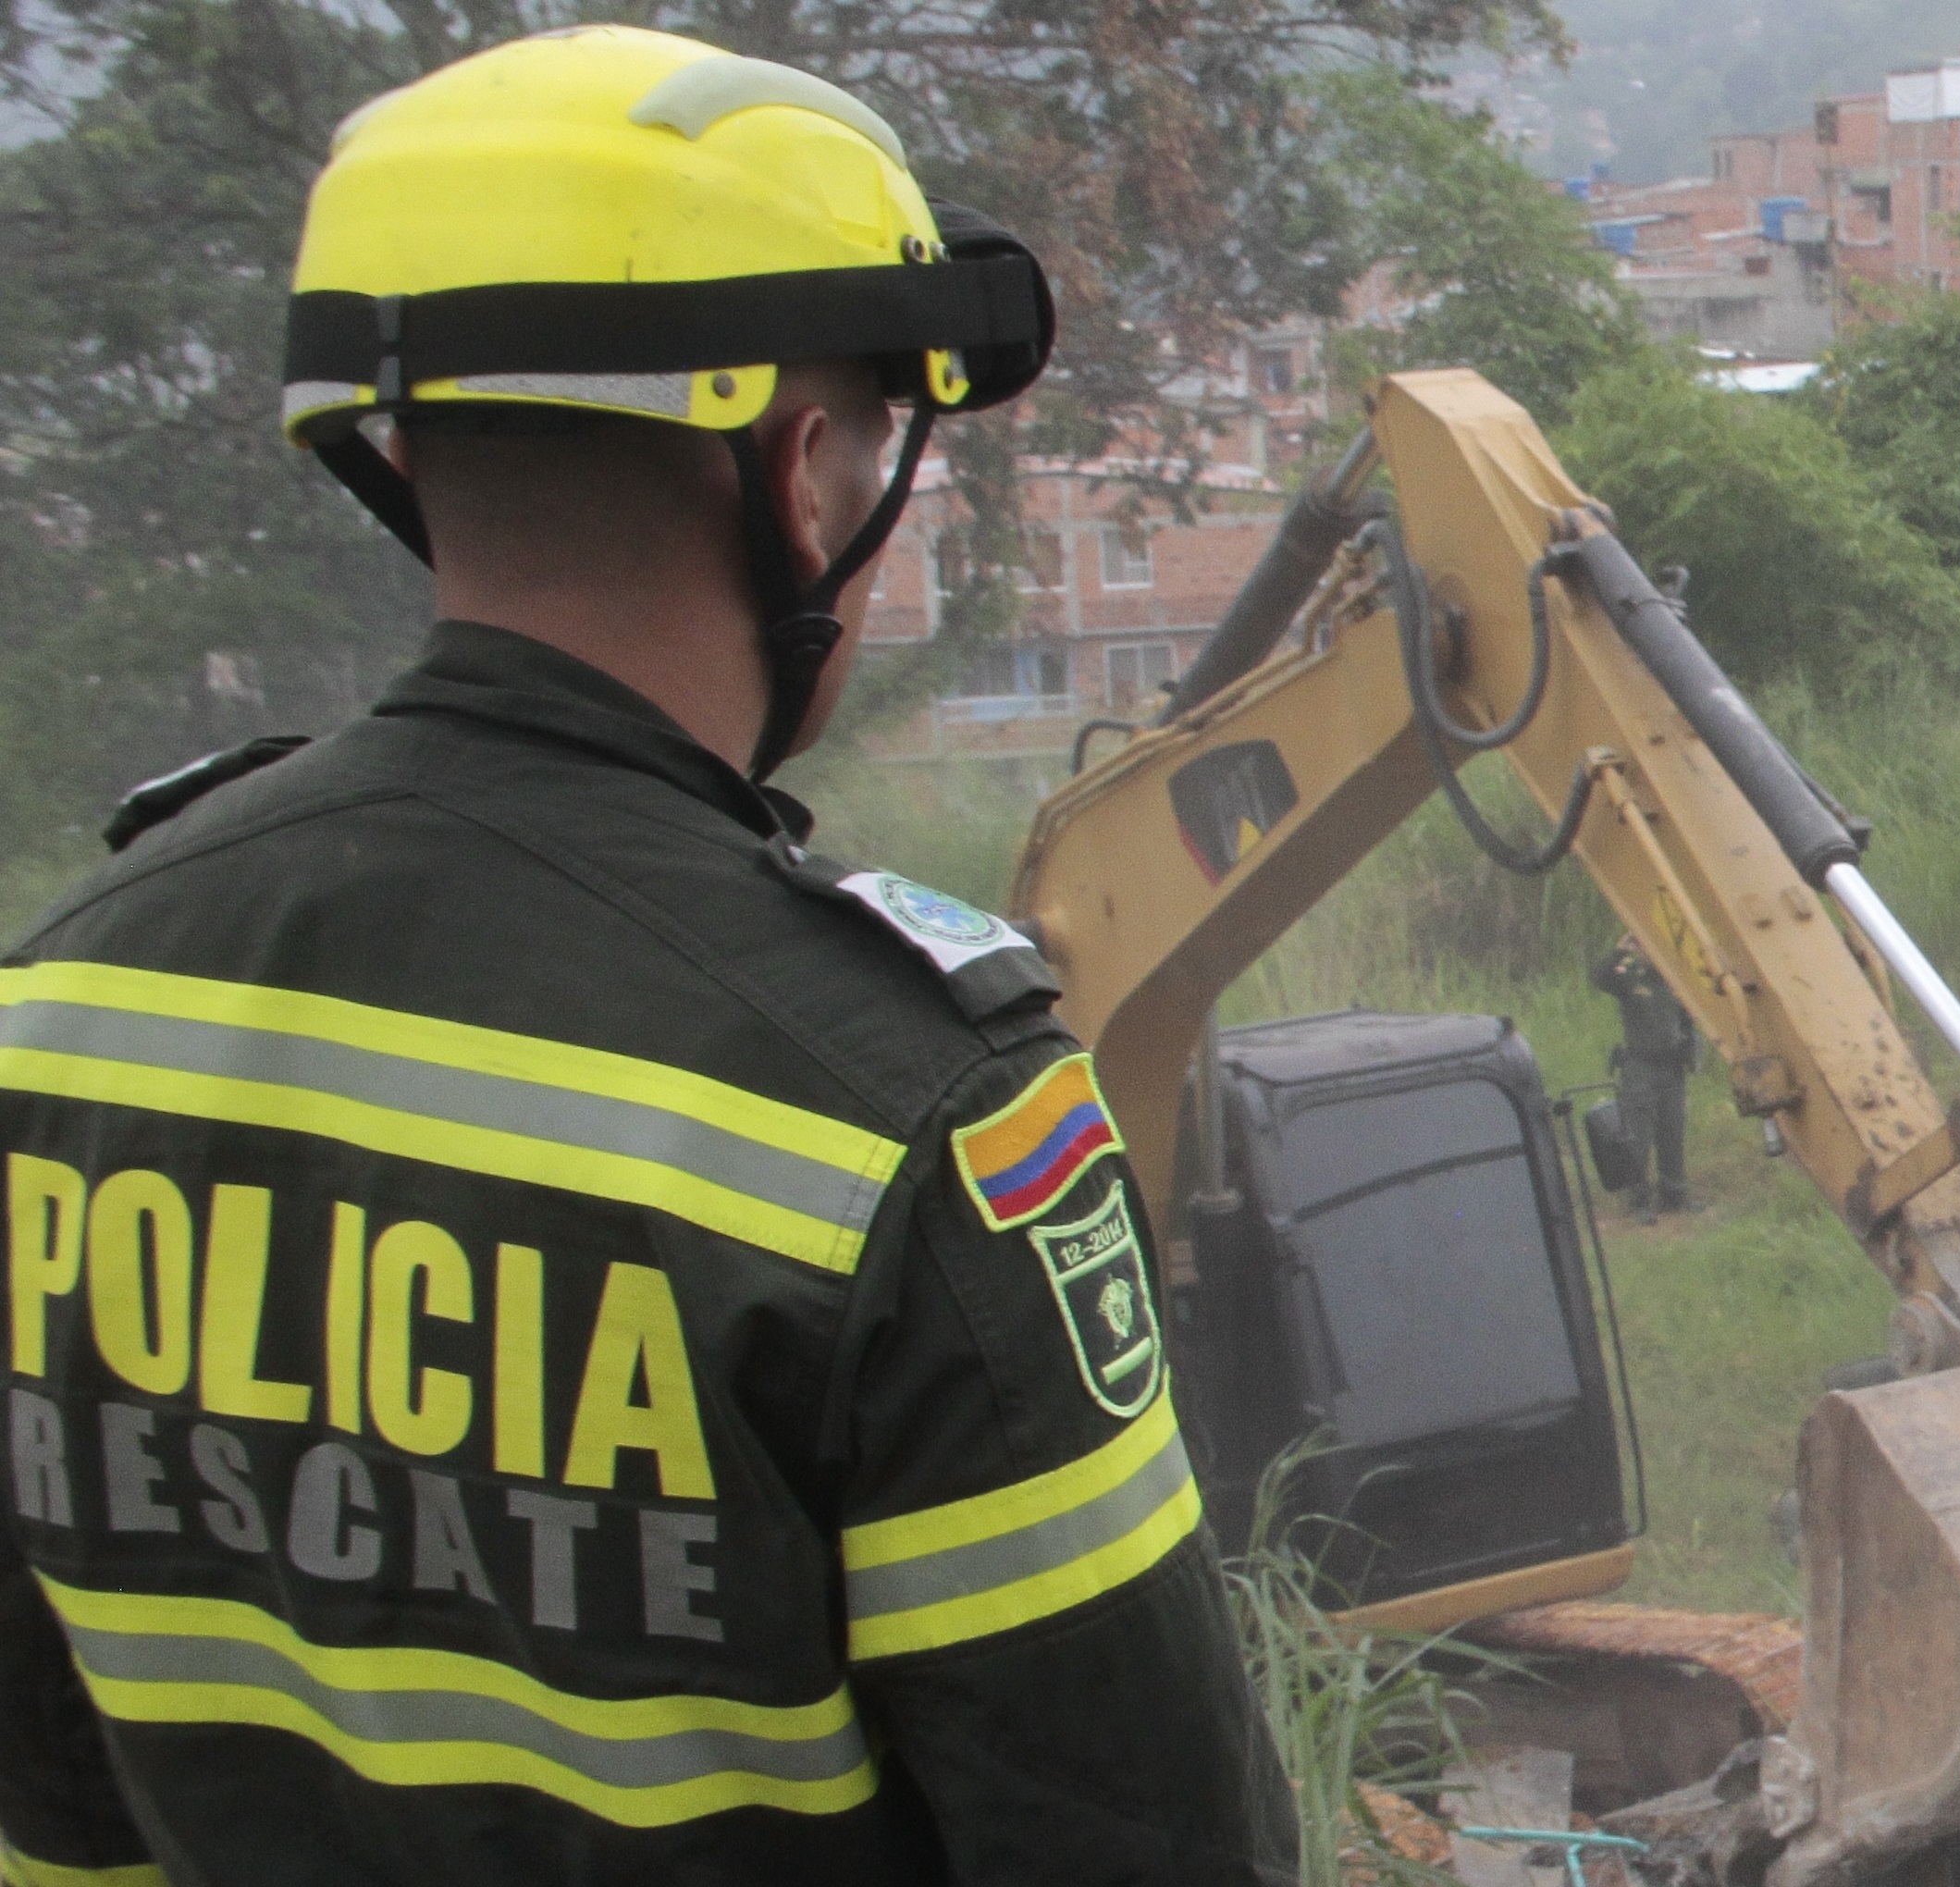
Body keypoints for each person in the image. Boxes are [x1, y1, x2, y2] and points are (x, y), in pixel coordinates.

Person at [0, 26, 1293, 1886]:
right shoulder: (916, 1118)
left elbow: (56, 1804)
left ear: (406, 456)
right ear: (802, 472)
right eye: (876, 450)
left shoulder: (60, 1016)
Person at [1592, 933, 1699, 1223]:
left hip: (1671, 1068)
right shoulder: (1630, 977)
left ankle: (1674, 1195)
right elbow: (1601, 979)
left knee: (1672, 1130)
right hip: (1640, 1067)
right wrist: (1618, 952)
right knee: (1638, 1135)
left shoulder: (1677, 982)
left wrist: (1691, 1056)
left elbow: (1690, 1022)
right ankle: (1639, 1201)